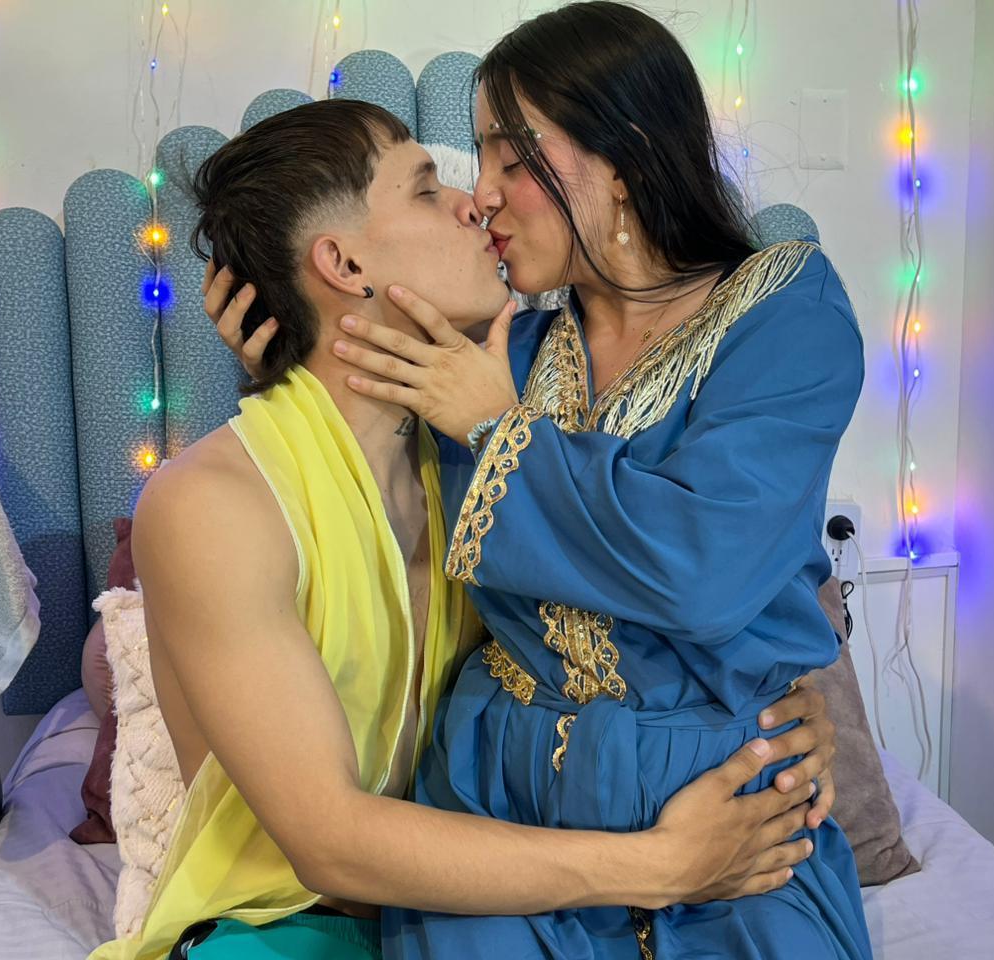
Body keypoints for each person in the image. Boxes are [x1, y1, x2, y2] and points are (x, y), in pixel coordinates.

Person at [92, 95, 836, 960]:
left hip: (496, 904)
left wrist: (777, 711)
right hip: (283, 927)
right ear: (343, 261)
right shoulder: (211, 505)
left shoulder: (472, 464)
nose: (474, 203)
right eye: (425, 188)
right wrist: (660, 865)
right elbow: (330, 842)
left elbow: (659, 577)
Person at [320, 4, 874, 956]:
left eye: (510, 156)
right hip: (498, 795)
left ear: (626, 154)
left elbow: (703, 570)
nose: (482, 194)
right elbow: (333, 443)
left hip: (723, 798)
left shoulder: (785, 313)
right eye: (475, 161)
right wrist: (273, 328)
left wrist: (499, 432)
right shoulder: (497, 349)